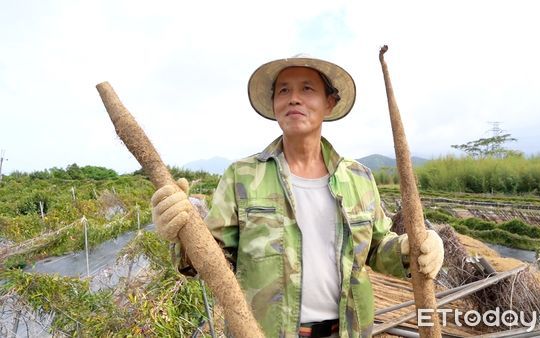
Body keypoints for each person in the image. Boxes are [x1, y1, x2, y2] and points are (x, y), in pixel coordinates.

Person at [151, 55, 444, 338]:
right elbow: (215, 260)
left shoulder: (359, 178)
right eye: (284, 90)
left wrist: (410, 247)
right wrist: (184, 234)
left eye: (307, 88)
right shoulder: (241, 177)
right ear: (275, 104)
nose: (294, 98)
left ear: (329, 103)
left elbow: (378, 247)